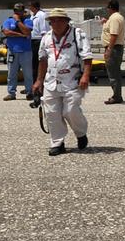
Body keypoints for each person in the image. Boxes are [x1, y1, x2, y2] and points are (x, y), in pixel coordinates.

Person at [33, 9, 92, 156]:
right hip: (51, 82)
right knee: (51, 113)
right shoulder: (46, 38)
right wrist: (39, 80)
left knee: (70, 111)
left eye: (59, 20)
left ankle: (80, 133)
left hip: (72, 81)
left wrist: (86, 76)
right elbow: (42, 60)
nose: (55, 23)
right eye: (52, 21)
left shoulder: (77, 35)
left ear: (66, 21)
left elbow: (87, 58)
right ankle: (57, 143)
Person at [1, 3, 34, 101]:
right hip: (12, 51)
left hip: (26, 51)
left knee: (28, 74)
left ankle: (29, 92)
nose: (17, 12)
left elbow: (27, 32)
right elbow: (7, 32)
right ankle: (11, 93)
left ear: (23, 11)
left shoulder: (28, 21)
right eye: (15, 10)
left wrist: (18, 21)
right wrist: (20, 35)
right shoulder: (8, 21)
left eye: (19, 11)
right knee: (11, 73)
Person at [102, 0, 125, 104]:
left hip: (114, 48)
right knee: (114, 72)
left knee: (113, 73)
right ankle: (116, 95)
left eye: (108, 8)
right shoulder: (115, 18)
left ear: (110, 7)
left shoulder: (115, 18)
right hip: (115, 48)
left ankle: (117, 96)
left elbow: (114, 35)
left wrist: (109, 49)